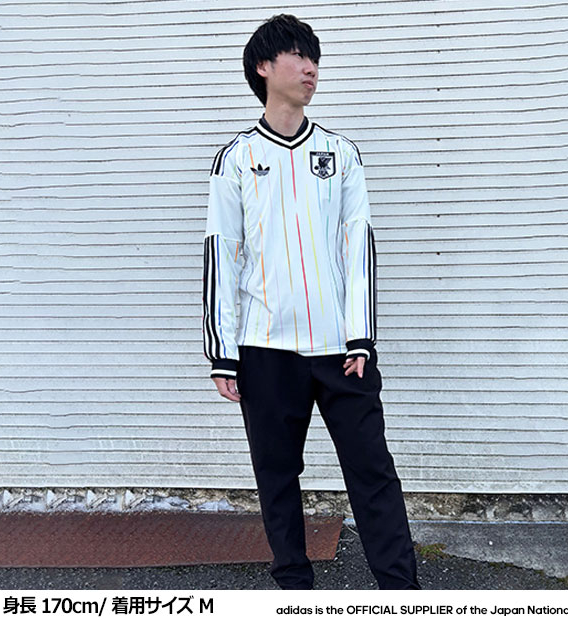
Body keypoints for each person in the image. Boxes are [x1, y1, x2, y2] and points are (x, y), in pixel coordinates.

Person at [202, 13, 421, 590]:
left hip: (340, 352)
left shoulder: (340, 153)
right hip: (265, 349)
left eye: (315, 58)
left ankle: (403, 592)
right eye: (298, 56)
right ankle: (295, 591)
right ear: (263, 67)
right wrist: (223, 352)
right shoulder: (236, 159)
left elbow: (357, 246)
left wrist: (361, 338)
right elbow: (223, 254)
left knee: (372, 473)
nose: (311, 69)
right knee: (277, 478)